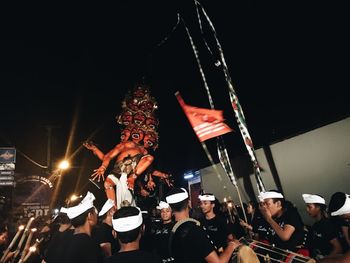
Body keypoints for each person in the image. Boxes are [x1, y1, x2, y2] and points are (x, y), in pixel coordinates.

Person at [165, 187, 240, 263]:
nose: (202, 206)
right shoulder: (195, 229)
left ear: (170, 208)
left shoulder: (169, 230)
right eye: (201, 203)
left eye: (205, 203)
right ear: (188, 203)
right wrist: (232, 245)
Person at [63, 192, 103, 263]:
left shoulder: (66, 241)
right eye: (95, 211)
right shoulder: (89, 244)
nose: (97, 214)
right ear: (90, 215)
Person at [302, 193, 342, 259]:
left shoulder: (326, 225)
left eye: (310, 207)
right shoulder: (315, 225)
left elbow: (338, 248)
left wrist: (324, 260)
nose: (307, 209)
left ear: (318, 208)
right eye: (307, 207)